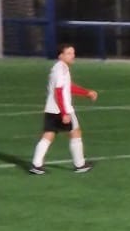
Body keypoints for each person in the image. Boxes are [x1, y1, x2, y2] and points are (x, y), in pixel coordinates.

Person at [29, 44, 98, 175]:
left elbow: (68, 87)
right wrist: (64, 113)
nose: (73, 56)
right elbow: (59, 91)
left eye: (73, 53)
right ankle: (80, 165)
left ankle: (36, 164)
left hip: (51, 108)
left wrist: (86, 93)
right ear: (61, 55)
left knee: (49, 134)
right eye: (69, 53)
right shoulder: (60, 69)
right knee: (75, 132)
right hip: (62, 109)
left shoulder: (61, 68)